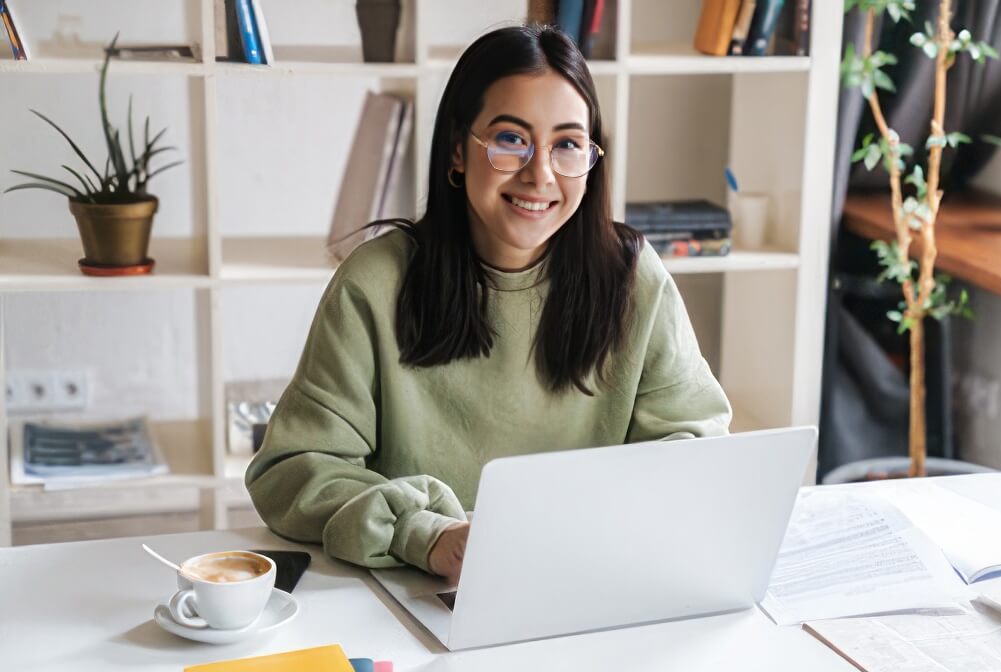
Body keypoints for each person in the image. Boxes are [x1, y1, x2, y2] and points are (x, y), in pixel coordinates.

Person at [246, 26, 730, 585]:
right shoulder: (376, 283)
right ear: (458, 148)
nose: (540, 173)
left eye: (568, 144)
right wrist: (426, 536)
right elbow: (291, 470)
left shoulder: (633, 278)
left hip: (592, 580)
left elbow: (695, 446)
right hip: (419, 588)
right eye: (510, 139)